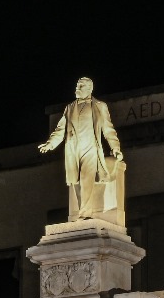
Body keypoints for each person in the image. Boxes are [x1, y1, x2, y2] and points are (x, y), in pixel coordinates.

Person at [39, 76, 124, 225]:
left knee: (86, 178)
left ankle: (85, 213)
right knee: (75, 181)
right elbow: (61, 129)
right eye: (77, 86)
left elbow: (108, 129)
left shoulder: (99, 106)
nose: (77, 88)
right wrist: (50, 144)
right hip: (73, 148)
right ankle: (79, 212)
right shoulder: (70, 107)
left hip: (90, 146)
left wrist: (115, 148)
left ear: (90, 89)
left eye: (81, 86)